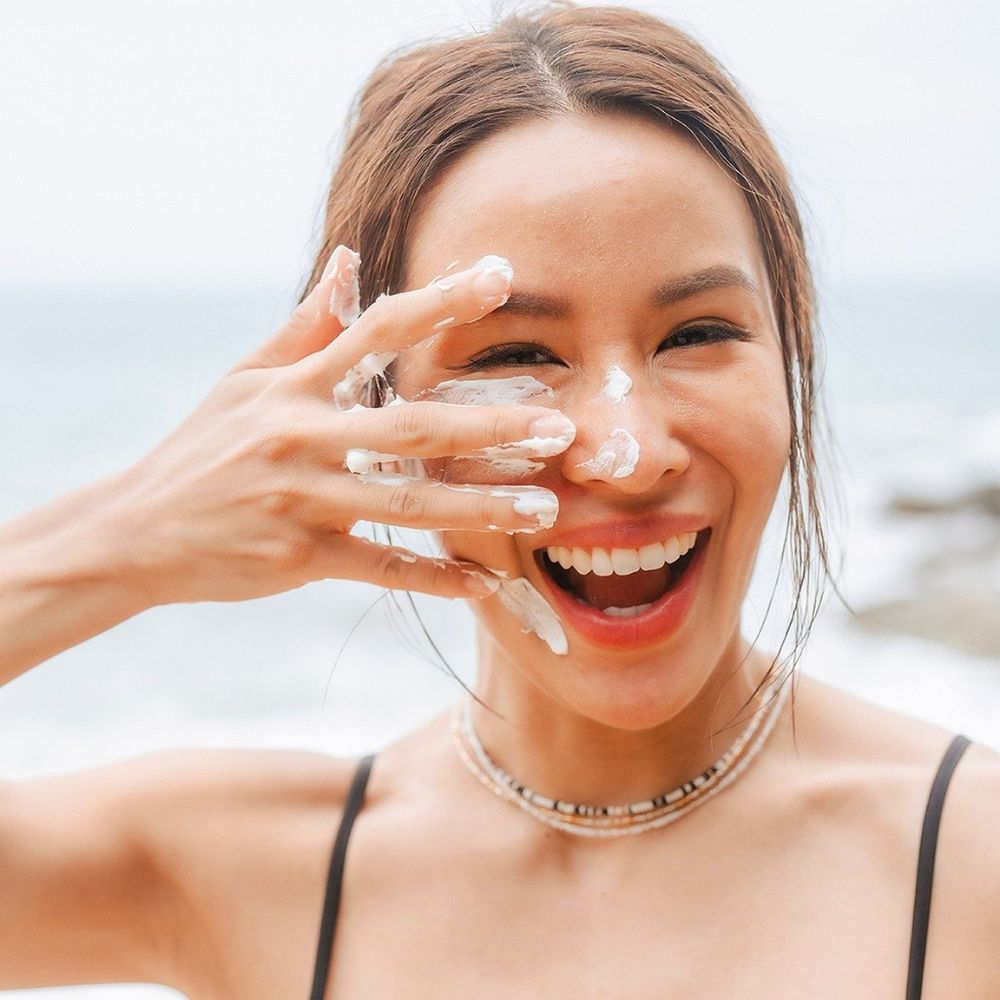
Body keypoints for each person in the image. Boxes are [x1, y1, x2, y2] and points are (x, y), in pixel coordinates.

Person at [1, 4, 997, 997]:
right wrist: (121, 537)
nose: (625, 452)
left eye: (694, 334)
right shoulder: (243, 873)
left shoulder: (967, 861)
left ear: (792, 357)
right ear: (369, 412)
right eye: (516, 354)